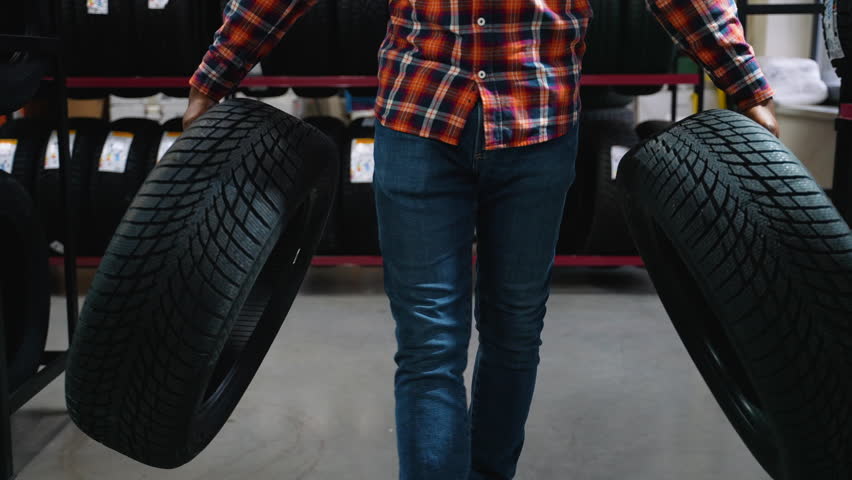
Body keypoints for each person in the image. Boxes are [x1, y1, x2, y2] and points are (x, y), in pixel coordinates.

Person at [184, 1, 778, 478]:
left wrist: (745, 86)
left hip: (538, 126)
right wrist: (217, 74)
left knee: (515, 330)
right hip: (419, 120)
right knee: (428, 343)